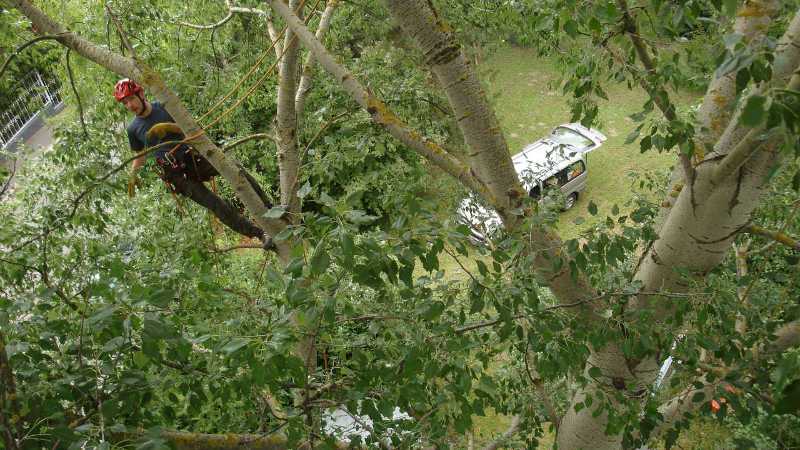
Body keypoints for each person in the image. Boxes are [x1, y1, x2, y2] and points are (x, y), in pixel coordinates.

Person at [115, 78, 268, 239]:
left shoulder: (165, 108)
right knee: (215, 204)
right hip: (174, 174)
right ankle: (258, 233)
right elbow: (140, 155)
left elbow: (191, 129)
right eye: (125, 103)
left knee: (234, 168)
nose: (130, 105)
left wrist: (167, 127)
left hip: (191, 158)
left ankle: (270, 209)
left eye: (131, 99)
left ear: (141, 93)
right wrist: (133, 174)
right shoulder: (133, 129)